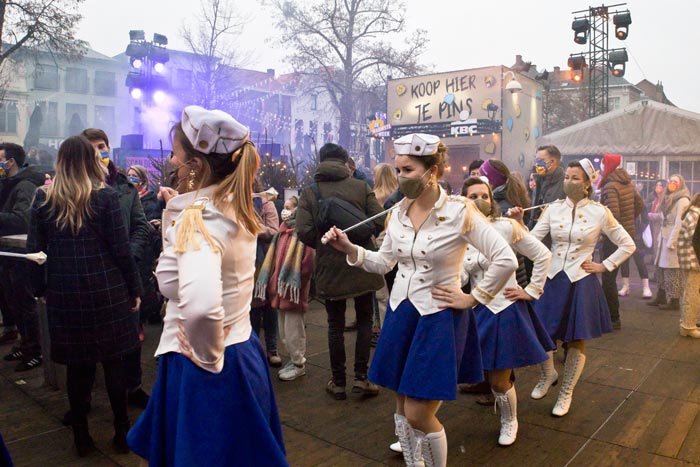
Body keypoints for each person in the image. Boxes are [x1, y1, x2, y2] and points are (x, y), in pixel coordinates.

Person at [324, 133, 517, 466]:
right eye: (398, 170)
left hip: (438, 317)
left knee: (417, 413)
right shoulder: (397, 212)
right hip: (401, 313)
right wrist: (350, 249)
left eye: (408, 170)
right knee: (400, 407)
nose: (401, 177)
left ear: (433, 171)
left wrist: (473, 298)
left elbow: (505, 259)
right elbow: (384, 262)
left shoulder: (461, 211)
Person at [127, 106, 288, 465]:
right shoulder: (229, 204)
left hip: (208, 364)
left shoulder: (203, 218)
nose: (172, 161)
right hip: (235, 350)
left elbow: (198, 305)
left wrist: (206, 357)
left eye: (176, 154)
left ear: (196, 165)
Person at [26, 136, 142, 456]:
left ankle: (81, 437)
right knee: (114, 364)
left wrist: (40, 290)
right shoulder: (103, 197)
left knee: (79, 369)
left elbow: (34, 253)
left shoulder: (43, 199)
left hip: (65, 294)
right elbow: (120, 250)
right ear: (90, 161)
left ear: (60, 162)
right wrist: (135, 289)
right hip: (107, 291)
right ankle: (122, 433)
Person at [511, 159, 635, 417]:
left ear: (588, 183)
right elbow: (531, 241)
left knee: (576, 339)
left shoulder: (600, 212)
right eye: (567, 176)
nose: (568, 181)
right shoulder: (553, 209)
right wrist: (520, 225)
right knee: (541, 332)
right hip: (552, 276)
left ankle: (566, 391)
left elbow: (628, 244)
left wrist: (604, 266)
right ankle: (548, 374)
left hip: (581, 279)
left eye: (575, 178)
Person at [461, 176, 553, 446]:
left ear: (492, 200)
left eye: (484, 196)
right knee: (470, 374)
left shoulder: (507, 227)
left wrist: (533, 290)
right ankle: (417, 426)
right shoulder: (459, 232)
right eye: (473, 196)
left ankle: (509, 420)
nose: (479, 200)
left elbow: (543, 255)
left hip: (504, 309)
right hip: (473, 309)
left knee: (500, 380)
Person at [296, 143, 385, 401]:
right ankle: (361, 378)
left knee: (334, 324)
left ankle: (338, 382)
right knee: (365, 319)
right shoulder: (360, 186)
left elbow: (303, 230)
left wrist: (326, 243)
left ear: (320, 161)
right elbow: (378, 220)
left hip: (329, 265)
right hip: (361, 261)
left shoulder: (311, 192)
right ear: (346, 161)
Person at [80, 128, 152, 412]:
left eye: (102, 146)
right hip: (87, 275)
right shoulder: (73, 187)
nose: (99, 153)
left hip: (123, 274)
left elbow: (141, 226)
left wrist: (129, 256)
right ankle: (82, 399)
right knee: (85, 342)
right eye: (92, 148)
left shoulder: (124, 186)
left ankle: (133, 387)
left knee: (131, 336)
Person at [255, 196, 315, 381]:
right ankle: (293, 360)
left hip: (292, 292)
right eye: (285, 207)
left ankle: (298, 363)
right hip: (279, 292)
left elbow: (307, 264)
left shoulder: (302, 234)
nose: (285, 211)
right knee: (284, 332)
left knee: (294, 330)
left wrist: (296, 282)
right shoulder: (282, 233)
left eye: (289, 207)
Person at [0, 142, 44, 371]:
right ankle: (23, 343)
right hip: (7, 254)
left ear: (11, 162)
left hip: (20, 253)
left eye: (1, 160)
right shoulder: (8, 184)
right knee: (13, 301)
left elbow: (21, 219)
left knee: (25, 304)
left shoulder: (24, 186)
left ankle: (35, 349)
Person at [597, 154, 649, 328]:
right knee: (613, 274)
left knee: (608, 276)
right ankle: (611, 316)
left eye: (603, 165)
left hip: (613, 237)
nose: (601, 168)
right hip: (627, 233)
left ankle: (612, 317)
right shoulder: (627, 183)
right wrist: (629, 221)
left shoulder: (610, 186)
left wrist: (606, 230)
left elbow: (613, 213)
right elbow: (640, 205)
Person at [647, 174, 691, 311]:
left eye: (675, 182)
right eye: (670, 181)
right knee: (660, 268)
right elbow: (663, 216)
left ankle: (674, 300)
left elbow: (679, 222)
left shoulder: (683, 200)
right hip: (664, 235)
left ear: (681, 184)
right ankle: (661, 294)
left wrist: (672, 241)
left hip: (672, 237)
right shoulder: (667, 199)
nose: (672, 184)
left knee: (672, 270)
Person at [251, 178, 281, 366]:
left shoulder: (265, 202)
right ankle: (253, 349)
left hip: (265, 261)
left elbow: (274, 230)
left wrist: (251, 228)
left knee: (269, 306)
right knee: (251, 308)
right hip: (246, 261)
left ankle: (272, 348)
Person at [678, 194, 700, 338]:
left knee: (689, 291)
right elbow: (695, 239)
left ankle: (687, 321)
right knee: (692, 293)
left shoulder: (692, 212)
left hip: (689, 258)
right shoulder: (696, 215)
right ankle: (688, 326)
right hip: (694, 259)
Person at [529, 145, 566, 230]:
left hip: (555, 233)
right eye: (536, 160)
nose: (537, 164)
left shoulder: (565, 182)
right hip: (537, 231)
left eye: (540, 161)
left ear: (552, 162)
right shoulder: (538, 179)